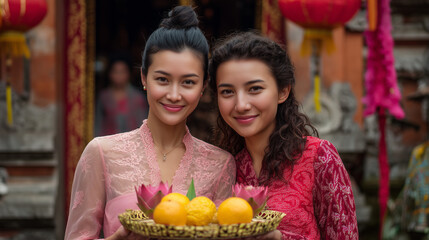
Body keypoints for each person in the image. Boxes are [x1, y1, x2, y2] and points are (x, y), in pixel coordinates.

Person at [65, 6, 235, 240]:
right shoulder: (102, 153)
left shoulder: (221, 165)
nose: (174, 95)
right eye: (162, 79)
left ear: (204, 85)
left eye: (188, 82)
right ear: (144, 77)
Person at [209, 32, 358, 240]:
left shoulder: (319, 157)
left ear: (283, 91)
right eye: (227, 92)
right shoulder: (224, 166)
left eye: (255, 89)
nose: (241, 105)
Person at [95, 56, 148, 136]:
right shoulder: (104, 97)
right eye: (115, 71)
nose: (119, 75)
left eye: (122, 72)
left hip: (132, 143)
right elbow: (97, 123)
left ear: (129, 74)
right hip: (107, 143)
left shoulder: (137, 97)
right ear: (109, 73)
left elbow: (143, 124)